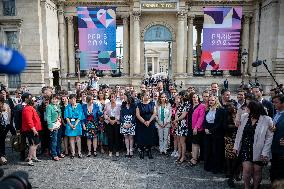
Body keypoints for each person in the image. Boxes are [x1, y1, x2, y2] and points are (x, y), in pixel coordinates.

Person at [233, 101, 274, 189]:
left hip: (260, 149)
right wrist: (236, 146)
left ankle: (256, 187)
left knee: (257, 171)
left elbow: (269, 138)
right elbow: (239, 133)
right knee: (246, 170)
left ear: (254, 109)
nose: (246, 109)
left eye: (248, 107)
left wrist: (265, 152)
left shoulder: (267, 119)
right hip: (245, 148)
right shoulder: (244, 117)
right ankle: (246, 187)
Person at [203, 95, 225, 174]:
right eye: (209, 100)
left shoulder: (220, 110)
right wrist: (205, 128)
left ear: (216, 101)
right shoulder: (207, 110)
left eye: (212, 100)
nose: (210, 102)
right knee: (208, 150)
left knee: (216, 151)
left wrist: (211, 130)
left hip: (216, 133)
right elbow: (205, 121)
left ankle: (217, 167)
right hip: (207, 133)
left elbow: (220, 123)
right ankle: (208, 166)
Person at [22, 97, 42, 166]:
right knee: (33, 144)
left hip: (33, 129)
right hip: (31, 130)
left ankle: (34, 157)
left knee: (34, 143)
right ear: (32, 102)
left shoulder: (29, 108)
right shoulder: (28, 109)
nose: (37, 102)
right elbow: (29, 121)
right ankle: (29, 158)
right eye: (35, 101)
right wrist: (34, 129)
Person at [136, 91, 157, 159]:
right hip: (141, 123)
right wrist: (144, 122)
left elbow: (154, 113)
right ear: (143, 96)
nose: (148, 96)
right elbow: (137, 115)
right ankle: (142, 150)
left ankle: (149, 150)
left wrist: (149, 121)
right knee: (142, 137)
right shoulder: (139, 104)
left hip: (150, 123)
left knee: (150, 136)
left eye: (149, 95)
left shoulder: (152, 103)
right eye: (147, 95)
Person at [64, 94, 84, 159]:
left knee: (78, 138)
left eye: (74, 99)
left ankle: (79, 152)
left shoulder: (79, 106)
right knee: (71, 138)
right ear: (69, 99)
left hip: (77, 123)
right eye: (71, 99)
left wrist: (75, 124)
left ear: (76, 99)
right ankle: (73, 153)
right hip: (70, 123)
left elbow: (80, 115)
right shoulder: (67, 107)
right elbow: (66, 117)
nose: (73, 100)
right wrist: (70, 124)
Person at [270, 94, 284, 182]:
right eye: (273, 102)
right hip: (274, 148)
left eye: (276, 102)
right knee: (274, 172)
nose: (274, 104)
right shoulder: (276, 114)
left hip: (282, 150)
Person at [172, 93, 190, 164]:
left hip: (183, 124)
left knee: (182, 142)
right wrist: (176, 121)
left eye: (181, 96)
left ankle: (183, 156)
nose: (180, 97)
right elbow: (176, 113)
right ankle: (179, 155)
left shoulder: (187, 104)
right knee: (179, 141)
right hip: (178, 124)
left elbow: (184, 115)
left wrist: (176, 120)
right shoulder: (181, 104)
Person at [189, 93, 206, 166]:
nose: (195, 98)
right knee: (193, 143)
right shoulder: (191, 106)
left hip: (197, 128)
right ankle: (193, 157)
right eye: (193, 97)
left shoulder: (202, 106)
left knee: (196, 143)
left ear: (198, 98)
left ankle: (194, 159)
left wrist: (196, 127)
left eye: (196, 97)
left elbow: (201, 118)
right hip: (191, 127)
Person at [46, 94, 64, 161]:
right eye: (53, 99)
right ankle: (54, 154)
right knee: (54, 141)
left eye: (56, 99)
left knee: (59, 140)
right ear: (51, 100)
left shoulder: (57, 106)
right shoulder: (49, 107)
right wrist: (50, 126)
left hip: (58, 124)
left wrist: (59, 118)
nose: (54, 100)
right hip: (53, 125)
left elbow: (60, 114)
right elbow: (48, 117)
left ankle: (59, 152)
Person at [104, 93, 121, 157]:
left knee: (116, 137)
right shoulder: (107, 104)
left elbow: (120, 114)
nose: (112, 98)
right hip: (109, 121)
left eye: (114, 97)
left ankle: (117, 150)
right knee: (110, 137)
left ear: (116, 98)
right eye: (111, 97)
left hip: (116, 121)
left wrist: (115, 120)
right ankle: (110, 150)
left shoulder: (119, 105)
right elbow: (105, 113)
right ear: (110, 98)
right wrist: (109, 119)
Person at [120, 93, 136, 158]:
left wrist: (131, 123)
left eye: (125, 96)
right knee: (126, 137)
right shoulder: (123, 105)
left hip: (131, 122)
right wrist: (123, 123)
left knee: (131, 137)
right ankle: (127, 150)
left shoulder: (133, 105)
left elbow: (135, 115)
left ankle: (131, 150)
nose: (124, 98)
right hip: (124, 122)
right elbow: (121, 115)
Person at [0, 96, 9, 165]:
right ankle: (2, 157)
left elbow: (6, 119)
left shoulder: (4, 107)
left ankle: (2, 156)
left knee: (2, 141)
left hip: (2, 127)